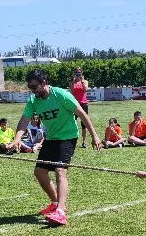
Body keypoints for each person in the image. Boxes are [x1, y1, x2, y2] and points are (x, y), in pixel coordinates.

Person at [10, 68, 101, 226]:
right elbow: (24, 120)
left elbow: (82, 114)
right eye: (30, 87)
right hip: (51, 137)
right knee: (39, 172)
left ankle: (61, 211)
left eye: (34, 87)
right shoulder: (34, 100)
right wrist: (17, 139)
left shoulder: (60, 94)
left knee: (60, 171)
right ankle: (55, 202)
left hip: (68, 136)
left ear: (44, 82)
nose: (32, 91)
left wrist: (95, 136)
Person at [71, 68, 91, 148]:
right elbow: (72, 91)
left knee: (84, 124)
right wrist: (73, 81)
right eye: (76, 72)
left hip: (83, 104)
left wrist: (82, 81)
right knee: (73, 122)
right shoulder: (72, 82)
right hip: (74, 104)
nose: (77, 74)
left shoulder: (85, 81)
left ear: (82, 73)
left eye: (79, 72)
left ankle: (84, 141)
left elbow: (85, 89)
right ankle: (73, 140)